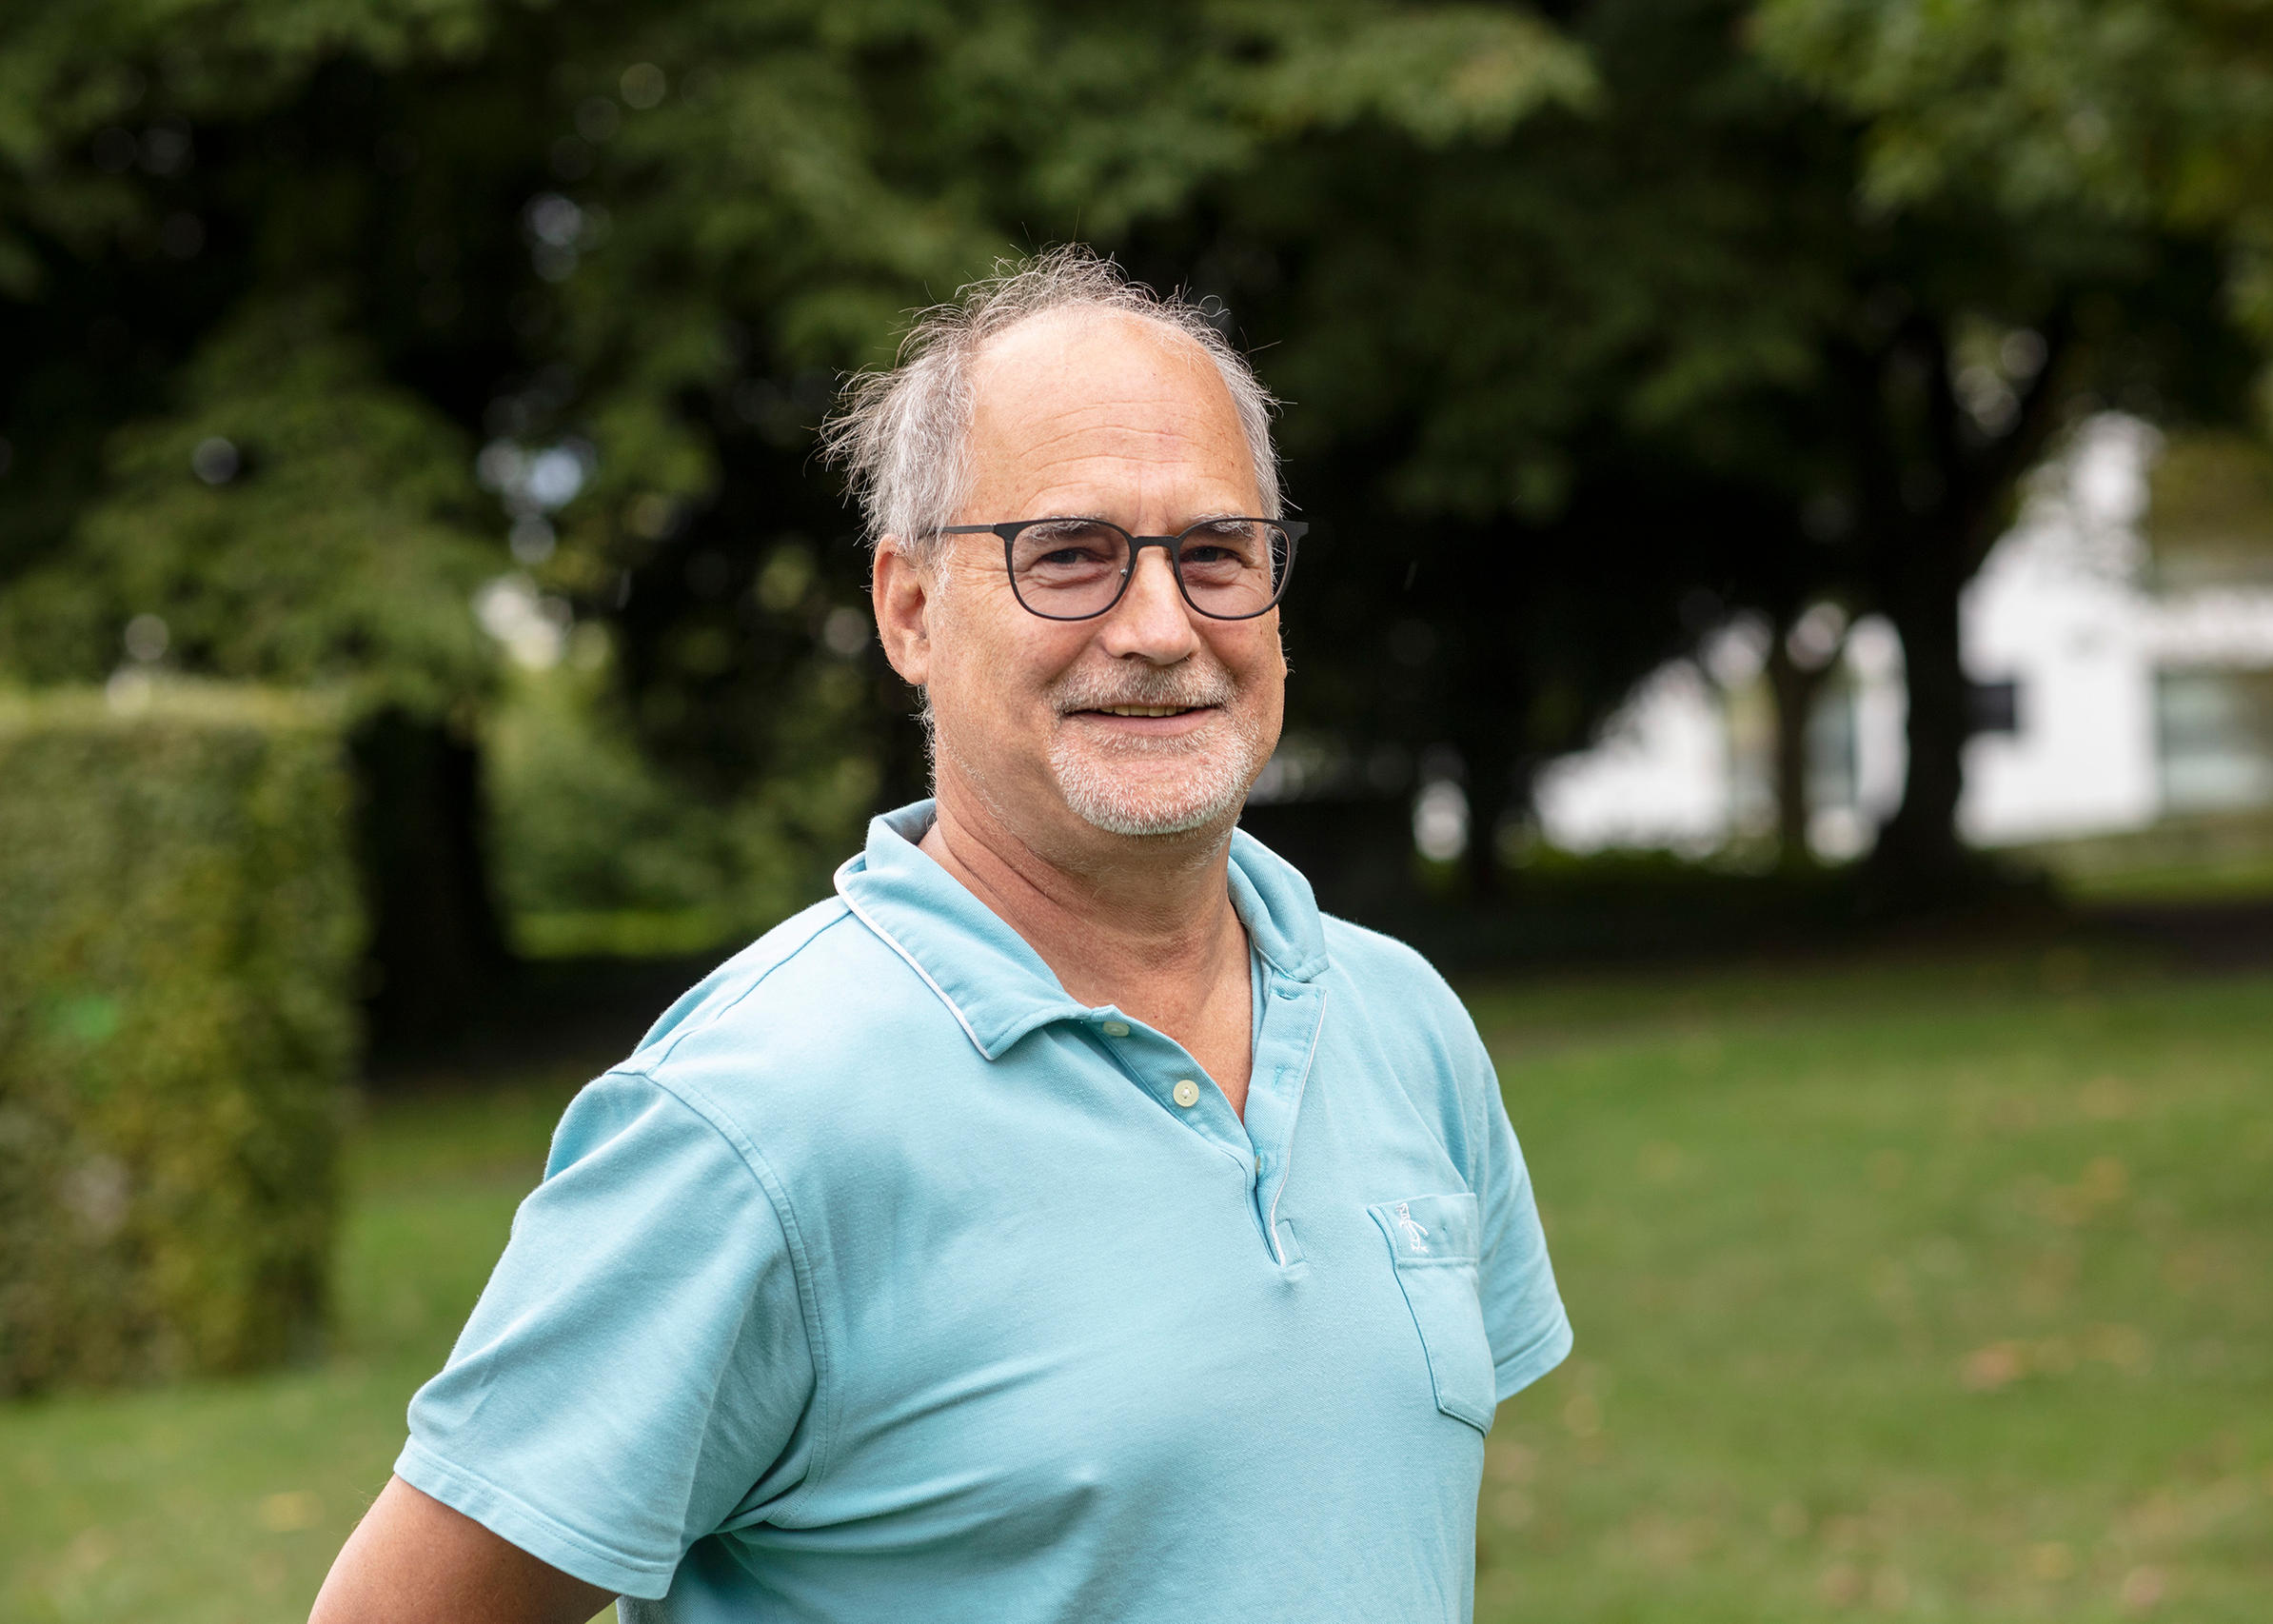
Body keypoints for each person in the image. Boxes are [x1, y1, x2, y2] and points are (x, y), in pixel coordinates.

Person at [310, 248, 1570, 1624]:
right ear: (909, 607)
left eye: (1216, 554)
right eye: (1070, 556)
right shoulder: (750, 1117)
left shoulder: (1404, 1023)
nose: (1160, 627)